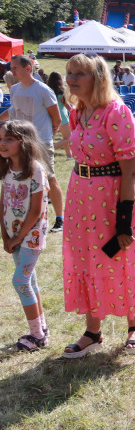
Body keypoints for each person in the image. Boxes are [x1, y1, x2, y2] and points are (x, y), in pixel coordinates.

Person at [62, 53, 135, 357]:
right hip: (80, 196)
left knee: (122, 256)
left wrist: (124, 219)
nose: (72, 79)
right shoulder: (78, 112)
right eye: (70, 73)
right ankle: (93, 331)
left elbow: (130, 170)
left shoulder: (115, 112)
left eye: (80, 74)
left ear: (98, 78)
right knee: (86, 259)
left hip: (112, 197)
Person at [0, 120, 50, 351]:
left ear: (24, 142)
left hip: (31, 236)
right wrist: (5, 235)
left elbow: (36, 210)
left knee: (20, 281)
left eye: (8, 139)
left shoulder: (36, 170)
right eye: (1, 139)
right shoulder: (7, 168)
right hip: (13, 235)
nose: (2, 143)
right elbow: (3, 203)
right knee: (30, 280)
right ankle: (41, 328)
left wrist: (17, 238)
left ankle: (36, 335)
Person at [0, 55, 65, 233]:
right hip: (20, 144)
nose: (11, 71)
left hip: (41, 143)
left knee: (49, 178)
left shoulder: (43, 90)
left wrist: (46, 139)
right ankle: (28, 218)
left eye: (14, 68)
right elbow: (14, 112)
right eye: (11, 68)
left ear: (28, 68)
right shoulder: (14, 90)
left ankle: (60, 218)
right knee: (24, 179)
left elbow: (57, 118)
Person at [47, 72, 73, 159]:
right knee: (68, 138)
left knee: (65, 138)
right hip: (63, 119)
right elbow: (68, 106)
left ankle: (69, 156)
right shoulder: (61, 93)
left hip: (51, 118)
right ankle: (49, 150)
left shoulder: (47, 92)